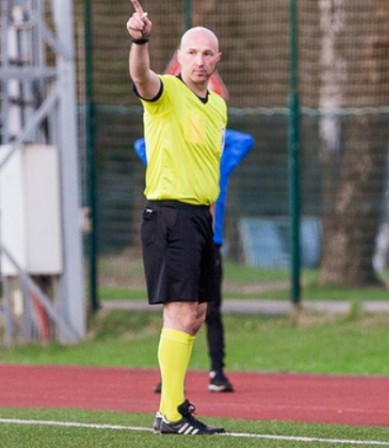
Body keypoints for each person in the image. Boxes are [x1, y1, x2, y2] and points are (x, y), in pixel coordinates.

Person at [127, 0, 226, 435]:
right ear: (179, 57)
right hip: (169, 215)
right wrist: (140, 40)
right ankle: (168, 414)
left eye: (208, 54)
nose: (200, 60)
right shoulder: (165, 92)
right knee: (181, 313)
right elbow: (140, 77)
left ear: (217, 60)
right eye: (192, 53)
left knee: (198, 313)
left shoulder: (218, 106)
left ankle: (173, 405)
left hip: (200, 219)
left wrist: (208, 216)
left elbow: (207, 166)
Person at [135, 128, 254, 394]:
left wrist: (213, 125)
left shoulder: (217, 160)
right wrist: (183, 130)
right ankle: (173, 379)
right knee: (177, 311)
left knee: (208, 311)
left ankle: (217, 372)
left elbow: (245, 140)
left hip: (212, 241)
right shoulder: (174, 159)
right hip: (182, 237)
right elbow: (142, 143)